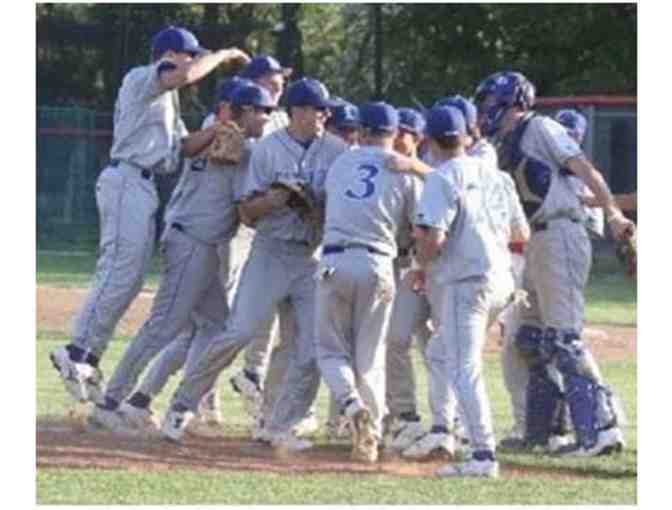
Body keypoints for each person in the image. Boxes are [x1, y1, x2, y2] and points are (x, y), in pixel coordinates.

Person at [49, 26, 249, 405]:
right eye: (190, 54)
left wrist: (219, 131)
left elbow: (185, 148)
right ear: (170, 55)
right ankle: (76, 350)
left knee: (131, 274)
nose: (194, 62)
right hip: (126, 177)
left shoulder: (168, 101)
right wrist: (223, 55)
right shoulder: (142, 78)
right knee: (120, 269)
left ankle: (88, 356)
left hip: (143, 185)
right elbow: (186, 74)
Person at [160, 78, 348, 451]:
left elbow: (339, 208)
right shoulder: (267, 150)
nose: (324, 114)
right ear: (295, 111)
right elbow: (246, 213)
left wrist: (312, 204)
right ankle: (182, 404)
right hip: (271, 251)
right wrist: (277, 199)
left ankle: (280, 424)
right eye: (316, 108)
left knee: (311, 347)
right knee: (239, 332)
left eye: (326, 109)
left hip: (311, 257)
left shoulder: (339, 150)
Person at [89, 83, 276, 433]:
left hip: (201, 243)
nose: (267, 117)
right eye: (262, 110)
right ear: (245, 111)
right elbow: (245, 208)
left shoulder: (221, 136)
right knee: (162, 327)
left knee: (218, 325)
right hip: (192, 241)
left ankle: (143, 401)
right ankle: (111, 402)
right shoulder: (233, 143)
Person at [473, 71, 633, 456]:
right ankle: (547, 430)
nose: (484, 110)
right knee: (526, 337)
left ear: (512, 100)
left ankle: (602, 427)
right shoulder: (502, 141)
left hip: (560, 232)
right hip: (534, 241)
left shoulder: (540, 127)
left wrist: (612, 212)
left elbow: (585, 169)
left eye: (489, 102)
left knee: (564, 337)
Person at [315, 102, 422, 463]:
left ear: (361, 131)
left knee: (330, 350)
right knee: (370, 359)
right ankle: (370, 438)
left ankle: (349, 403)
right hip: (379, 262)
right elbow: (415, 228)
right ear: (395, 134)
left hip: (334, 259)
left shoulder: (343, 161)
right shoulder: (405, 171)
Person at [411, 105, 512, 478]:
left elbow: (432, 239)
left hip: (465, 281)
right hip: (501, 279)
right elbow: (520, 232)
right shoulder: (494, 174)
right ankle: (446, 429)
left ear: (429, 140)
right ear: (467, 136)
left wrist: (420, 264)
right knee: (440, 353)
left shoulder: (440, 177)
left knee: (462, 366)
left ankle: (483, 453)